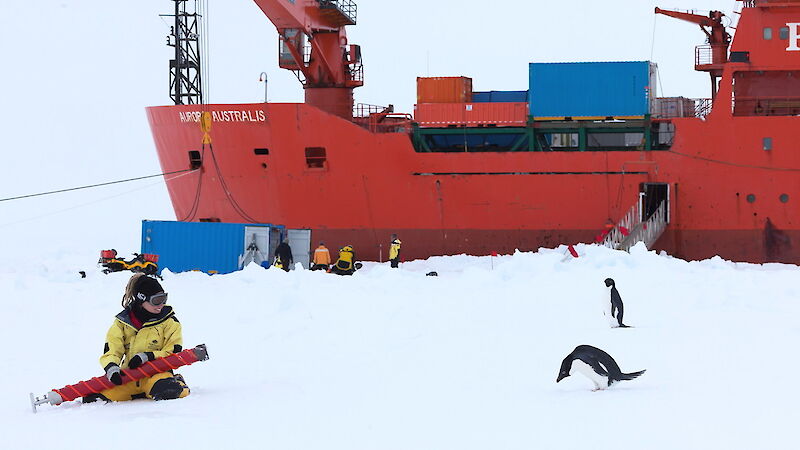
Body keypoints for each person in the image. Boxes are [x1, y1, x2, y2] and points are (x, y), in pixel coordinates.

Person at [83, 274, 189, 403]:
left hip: (156, 374)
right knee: (93, 398)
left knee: (167, 390)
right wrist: (111, 368)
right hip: (130, 377)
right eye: (156, 300)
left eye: (164, 298)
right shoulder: (122, 323)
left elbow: (173, 351)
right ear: (141, 300)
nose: (161, 304)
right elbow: (112, 349)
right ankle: (138, 393)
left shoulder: (170, 322)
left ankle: (176, 382)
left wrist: (148, 356)